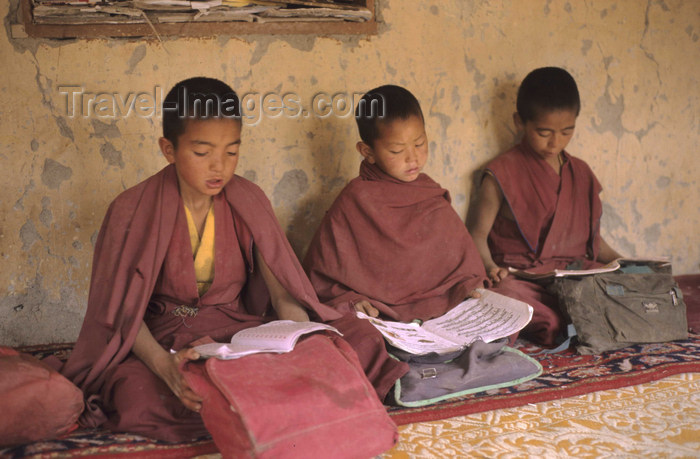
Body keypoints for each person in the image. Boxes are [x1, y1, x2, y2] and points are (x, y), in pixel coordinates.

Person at [60, 77, 346, 442]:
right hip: (161, 340)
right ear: (169, 149)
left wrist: (293, 344)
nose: (219, 167)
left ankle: (259, 400)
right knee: (137, 395)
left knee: (340, 349)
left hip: (235, 332)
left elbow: (283, 296)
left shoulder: (249, 199)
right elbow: (121, 315)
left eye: (231, 151)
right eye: (202, 152)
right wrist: (167, 369)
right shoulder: (130, 210)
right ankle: (263, 407)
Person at [304, 84, 488, 337]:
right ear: (367, 151)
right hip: (381, 314)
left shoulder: (428, 193)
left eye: (420, 143)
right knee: (355, 335)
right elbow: (323, 277)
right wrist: (352, 299)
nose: (412, 158)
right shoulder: (355, 201)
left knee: (500, 311)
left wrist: (465, 287)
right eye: (396, 151)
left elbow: (458, 263)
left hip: (442, 307)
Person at [468, 67, 621, 347]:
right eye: (544, 132)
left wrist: (623, 264)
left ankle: (577, 319)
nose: (555, 142)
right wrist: (490, 267)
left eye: (566, 132)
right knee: (507, 296)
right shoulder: (501, 173)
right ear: (519, 122)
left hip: (573, 275)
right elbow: (475, 235)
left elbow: (594, 243)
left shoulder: (581, 172)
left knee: (622, 288)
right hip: (523, 279)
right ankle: (571, 322)